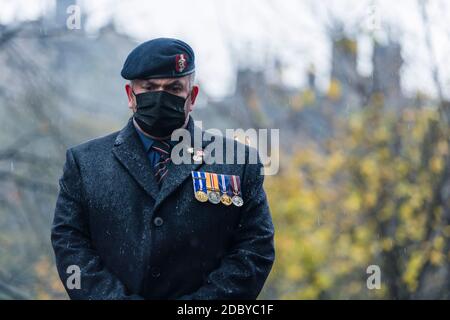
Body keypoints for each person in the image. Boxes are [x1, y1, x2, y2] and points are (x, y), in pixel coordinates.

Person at [51, 38, 275, 299]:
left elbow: (254, 250)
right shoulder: (85, 163)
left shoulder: (238, 163)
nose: (160, 96)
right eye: (149, 87)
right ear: (130, 95)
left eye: (174, 88)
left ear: (192, 97)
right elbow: (71, 247)